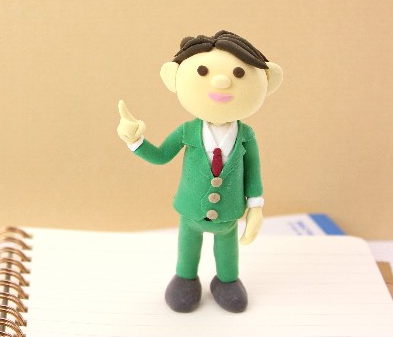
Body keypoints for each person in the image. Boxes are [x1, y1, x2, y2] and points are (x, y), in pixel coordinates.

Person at [117, 30, 283, 313]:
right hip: (190, 211)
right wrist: (135, 141)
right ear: (173, 78)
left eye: (239, 74)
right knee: (188, 249)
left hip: (228, 215)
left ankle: (227, 281)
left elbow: (253, 173)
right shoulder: (187, 131)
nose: (222, 81)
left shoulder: (246, 136)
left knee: (227, 251)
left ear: (268, 81)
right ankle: (185, 279)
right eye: (203, 72)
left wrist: (256, 208)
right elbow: (160, 156)